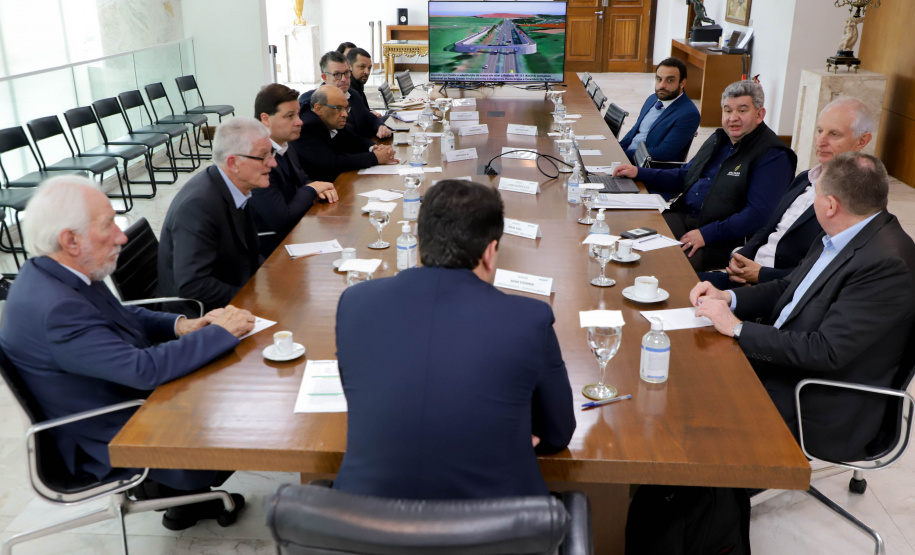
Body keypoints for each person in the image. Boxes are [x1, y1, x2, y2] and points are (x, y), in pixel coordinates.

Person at [0, 176, 257, 530]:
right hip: (117, 433)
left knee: (226, 371)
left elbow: (121, 313)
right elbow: (144, 370)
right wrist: (220, 332)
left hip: (118, 398)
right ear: (70, 240)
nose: (122, 236)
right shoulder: (56, 309)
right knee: (240, 403)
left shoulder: (52, 272)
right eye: (109, 225)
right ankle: (174, 485)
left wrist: (179, 325)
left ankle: (183, 499)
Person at [333, 179, 576, 500]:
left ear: (420, 245)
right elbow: (557, 434)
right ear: (491, 252)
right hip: (498, 530)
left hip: (364, 525)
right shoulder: (529, 319)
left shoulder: (355, 302)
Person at [691, 152, 915, 462]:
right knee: (686, 367)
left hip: (815, 399)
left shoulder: (887, 265)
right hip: (784, 359)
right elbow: (790, 288)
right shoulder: (842, 234)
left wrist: (737, 328)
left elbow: (826, 351)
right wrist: (728, 298)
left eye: (816, 195)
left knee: (692, 417)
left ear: (831, 205)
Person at [614, 80, 796, 272]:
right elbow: (686, 175)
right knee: (628, 242)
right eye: (727, 110)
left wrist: (706, 234)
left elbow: (758, 215)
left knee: (665, 267)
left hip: (723, 239)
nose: (733, 118)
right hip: (687, 218)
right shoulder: (720, 139)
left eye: (742, 111)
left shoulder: (774, 156)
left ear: (760, 115)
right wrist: (639, 172)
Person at [699, 98, 874, 289]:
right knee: (672, 280)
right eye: (819, 130)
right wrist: (740, 257)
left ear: (862, 141)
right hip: (748, 275)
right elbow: (769, 228)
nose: (821, 141)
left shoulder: (855, 201)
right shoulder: (805, 178)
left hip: (779, 291)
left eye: (834, 134)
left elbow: (824, 271)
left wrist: (760, 275)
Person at [158, 117, 272, 312]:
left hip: (233, 290)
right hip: (198, 316)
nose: (273, 163)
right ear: (233, 163)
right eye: (263, 156)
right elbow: (192, 285)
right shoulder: (198, 206)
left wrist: (271, 276)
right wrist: (248, 300)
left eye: (272, 154)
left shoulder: (235, 187)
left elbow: (248, 252)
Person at [251, 83, 338, 257]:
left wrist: (317, 188)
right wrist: (312, 189)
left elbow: (302, 179)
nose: (300, 122)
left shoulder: (285, 145)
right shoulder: (256, 159)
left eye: (297, 114)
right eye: (290, 116)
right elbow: (281, 221)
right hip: (270, 251)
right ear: (266, 119)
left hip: (296, 234)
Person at [292, 85, 397, 183]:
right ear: (319, 108)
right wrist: (374, 158)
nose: (345, 114)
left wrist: (374, 148)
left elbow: (350, 139)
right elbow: (331, 163)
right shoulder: (308, 126)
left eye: (346, 108)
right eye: (338, 108)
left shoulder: (330, 119)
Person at [618, 57, 700, 164]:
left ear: (682, 83)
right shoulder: (652, 99)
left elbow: (663, 152)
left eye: (670, 80)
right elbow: (635, 131)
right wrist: (618, 149)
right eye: (659, 79)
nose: (662, 85)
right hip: (626, 158)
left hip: (646, 167)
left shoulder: (688, 114)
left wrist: (623, 155)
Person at [299, 51, 392, 140]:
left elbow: (369, 117)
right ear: (325, 78)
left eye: (346, 73)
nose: (344, 79)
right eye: (337, 74)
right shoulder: (311, 101)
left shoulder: (353, 94)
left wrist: (380, 126)